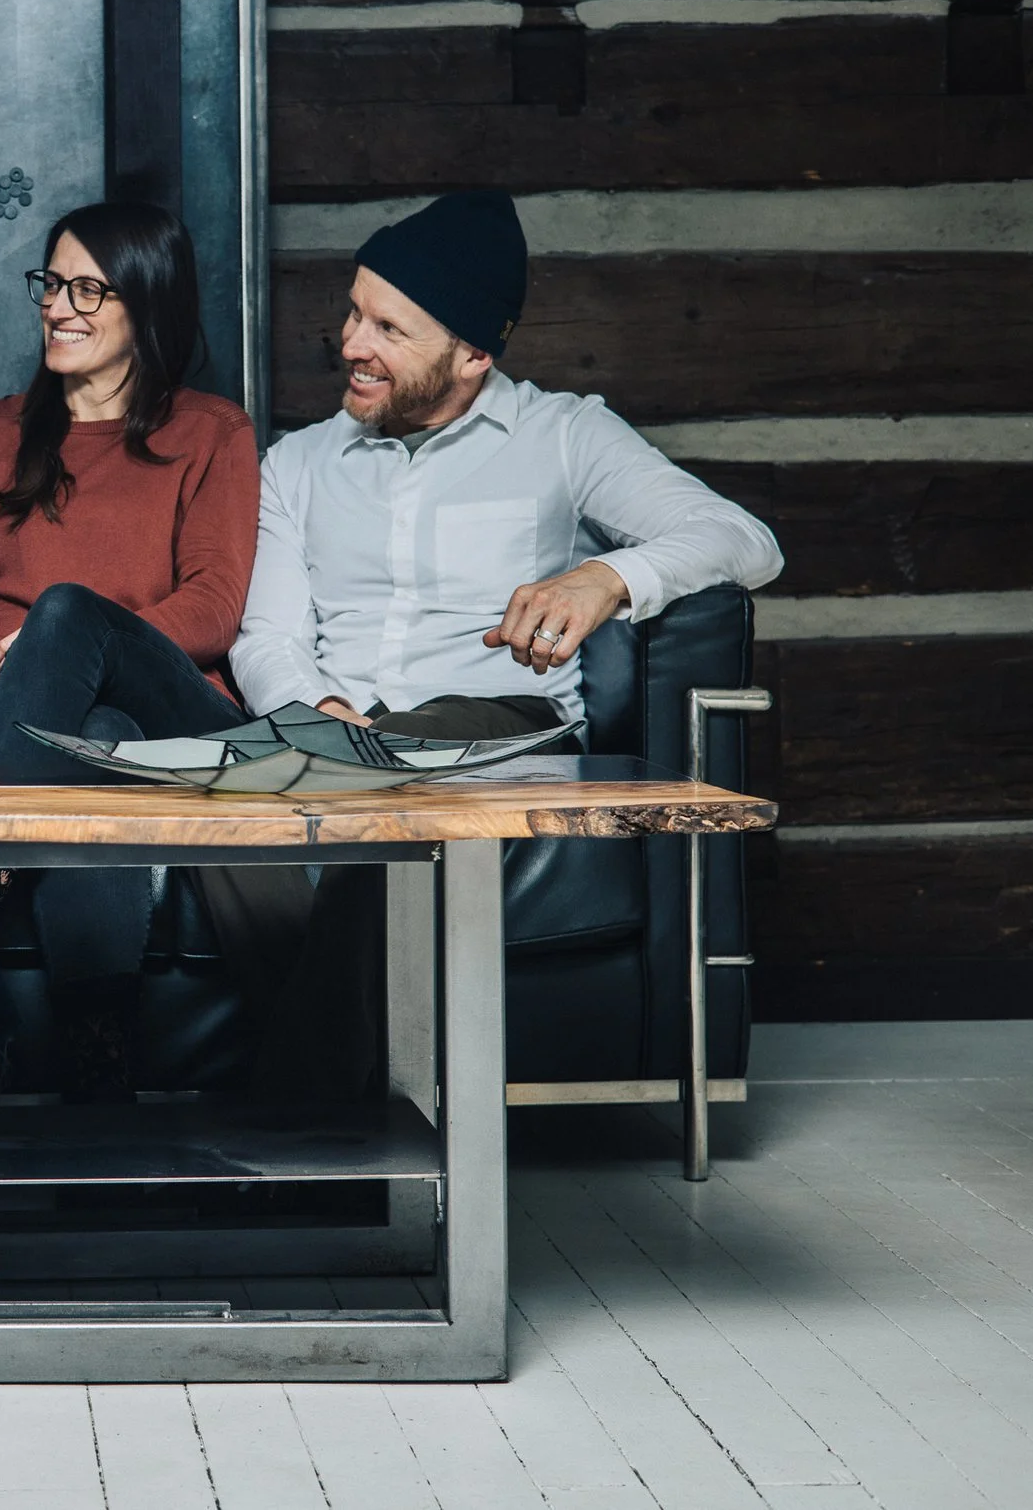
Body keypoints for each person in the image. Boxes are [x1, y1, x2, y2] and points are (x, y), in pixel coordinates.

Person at [232, 188, 784, 1096]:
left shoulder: (562, 436)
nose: (352, 344)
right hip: (337, 732)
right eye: (354, 313)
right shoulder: (297, 464)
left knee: (393, 781)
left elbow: (745, 540)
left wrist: (606, 577)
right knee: (227, 805)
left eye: (389, 329)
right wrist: (320, 713)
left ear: (473, 354)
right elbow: (268, 635)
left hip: (494, 722)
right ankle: (341, 1092)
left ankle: (292, 1112)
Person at [0, 202, 259, 1096]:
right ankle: (99, 1048)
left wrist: (66, 636)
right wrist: (24, 667)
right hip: (34, 721)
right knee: (96, 731)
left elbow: (213, 610)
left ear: (148, 304)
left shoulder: (212, 433)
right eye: (51, 283)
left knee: (68, 615)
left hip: (184, 725)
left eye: (89, 289)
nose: (58, 306)